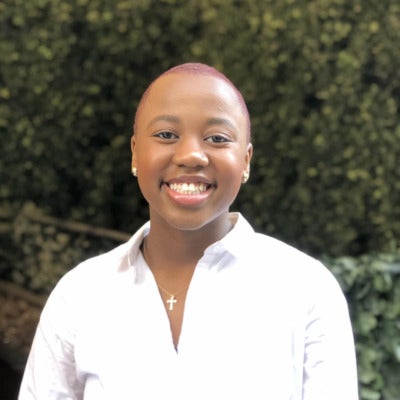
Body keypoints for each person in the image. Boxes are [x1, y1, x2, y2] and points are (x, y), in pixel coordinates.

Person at [19, 62, 359, 399]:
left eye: (217, 138)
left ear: (246, 160)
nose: (191, 155)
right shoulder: (80, 295)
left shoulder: (306, 289)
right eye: (166, 135)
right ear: (135, 153)